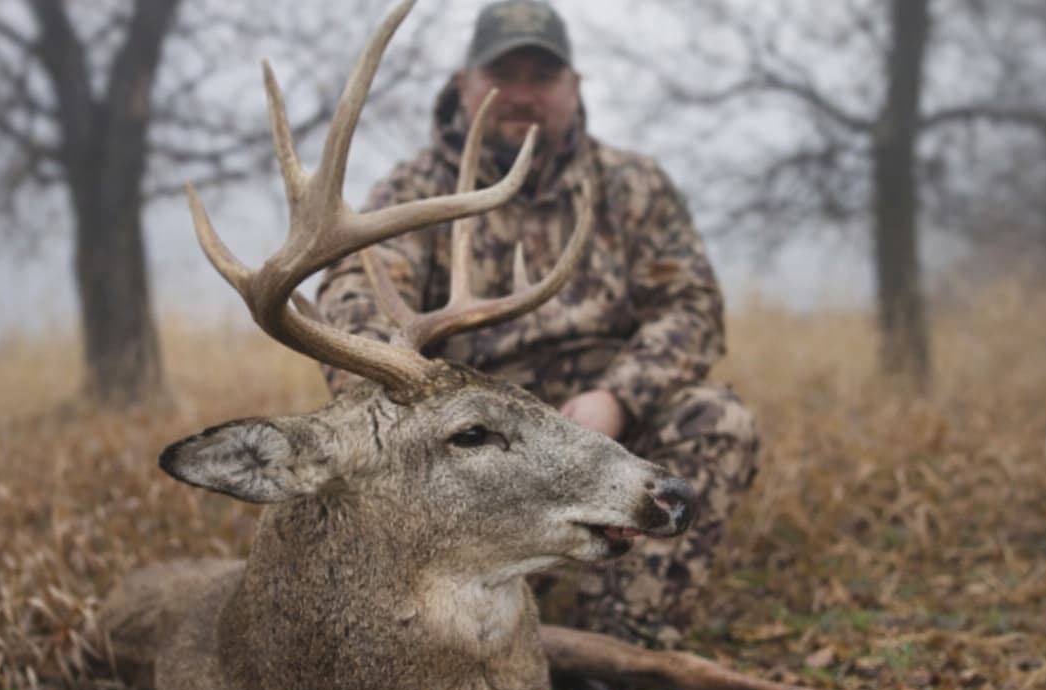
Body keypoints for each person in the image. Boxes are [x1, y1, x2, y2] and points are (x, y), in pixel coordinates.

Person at [316, 0, 758, 649]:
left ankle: (617, 646)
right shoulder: (412, 193)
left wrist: (617, 398)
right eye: (504, 75)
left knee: (718, 419)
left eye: (543, 77)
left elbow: (691, 309)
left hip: (604, 427)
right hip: (478, 445)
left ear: (574, 88)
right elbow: (354, 295)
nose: (523, 94)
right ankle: (453, 637)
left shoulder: (634, 186)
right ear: (465, 83)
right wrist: (439, 407)